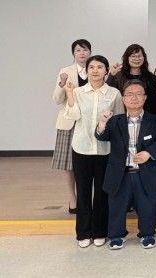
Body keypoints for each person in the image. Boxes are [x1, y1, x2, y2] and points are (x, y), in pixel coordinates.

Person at [94, 80, 156, 250]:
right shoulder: (115, 121)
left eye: (139, 94)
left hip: (144, 172)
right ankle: (116, 236)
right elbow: (101, 136)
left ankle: (147, 234)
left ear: (145, 98)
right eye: (130, 94)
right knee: (117, 206)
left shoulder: (155, 120)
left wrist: (149, 154)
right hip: (120, 173)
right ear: (124, 99)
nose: (134, 98)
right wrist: (102, 122)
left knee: (147, 205)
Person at [63, 55, 125, 248]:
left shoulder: (114, 93)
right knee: (82, 192)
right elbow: (73, 115)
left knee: (101, 193)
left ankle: (99, 231)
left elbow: (119, 121)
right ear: (87, 71)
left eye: (100, 67)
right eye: (92, 67)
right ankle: (83, 233)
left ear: (106, 71)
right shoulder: (78, 91)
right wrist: (69, 94)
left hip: (104, 150)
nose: (95, 70)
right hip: (81, 148)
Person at [52, 39, 91, 214]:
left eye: (85, 50)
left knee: (88, 163)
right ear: (73, 53)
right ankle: (72, 199)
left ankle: (87, 199)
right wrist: (62, 84)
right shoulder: (65, 71)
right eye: (78, 50)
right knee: (69, 164)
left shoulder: (95, 69)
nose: (82, 53)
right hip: (69, 122)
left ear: (90, 52)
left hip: (89, 122)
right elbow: (57, 99)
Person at [107, 44, 156, 115]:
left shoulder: (150, 76)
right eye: (133, 56)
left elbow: (155, 98)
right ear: (127, 58)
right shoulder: (119, 75)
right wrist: (112, 75)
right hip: (123, 115)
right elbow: (108, 93)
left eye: (139, 56)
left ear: (144, 58)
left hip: (146, 115)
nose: (137, 59)